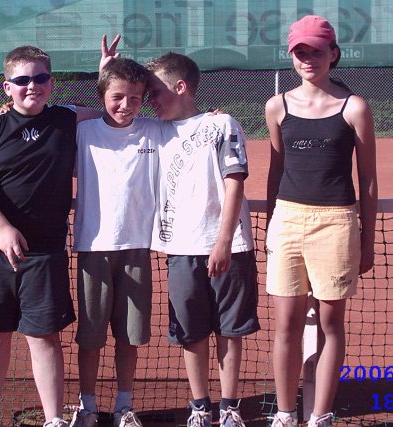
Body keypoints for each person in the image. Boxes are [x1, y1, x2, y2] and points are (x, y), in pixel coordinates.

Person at [0, 45, 103, 427]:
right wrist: (3, 228)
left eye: (40, 78)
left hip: (44, 252)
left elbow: (116, 111)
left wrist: (200, 114)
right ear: (7, 87)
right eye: (22, 80)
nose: (32, 86)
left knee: (44, 338)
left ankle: (54, 419)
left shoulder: (67, 118)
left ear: (51, 83)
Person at [264, 15, 377, 427]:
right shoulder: (276, 106)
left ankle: (321, 416)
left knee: (330, 323)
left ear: (333, 54)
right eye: (300, 52)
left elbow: (368, 180)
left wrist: (368, 241)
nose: (308, 59)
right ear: (291, 56)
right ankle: (285, 414)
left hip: (337, 223)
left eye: (316, 51)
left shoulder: (355, 107)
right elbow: (276, 171)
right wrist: (272, 225)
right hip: (288, 221)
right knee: (286, 325)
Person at [147, 52, 260, 427]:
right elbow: (105, 114)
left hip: (229, 247)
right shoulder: (154, 130)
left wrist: (224, 241)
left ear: (180, 87)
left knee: (229, 330)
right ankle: (200, 407)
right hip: (181, 249)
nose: (150, 99)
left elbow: (234, 182)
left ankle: (229, 408)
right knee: (190, 333)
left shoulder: (222, 123)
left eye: (155, 91)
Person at [69, 57, 162, 427]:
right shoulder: (84, 130)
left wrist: (212, 115)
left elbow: (187, 119)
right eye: (117, 97)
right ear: (101, 96)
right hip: (93, 248)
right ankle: (87, 406)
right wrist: (103, 74)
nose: (126, 105)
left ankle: (125, 405)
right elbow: (48, 111)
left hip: (137, 247)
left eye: (135, 98)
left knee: (129, 336)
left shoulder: (153, 130)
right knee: (91, 337)